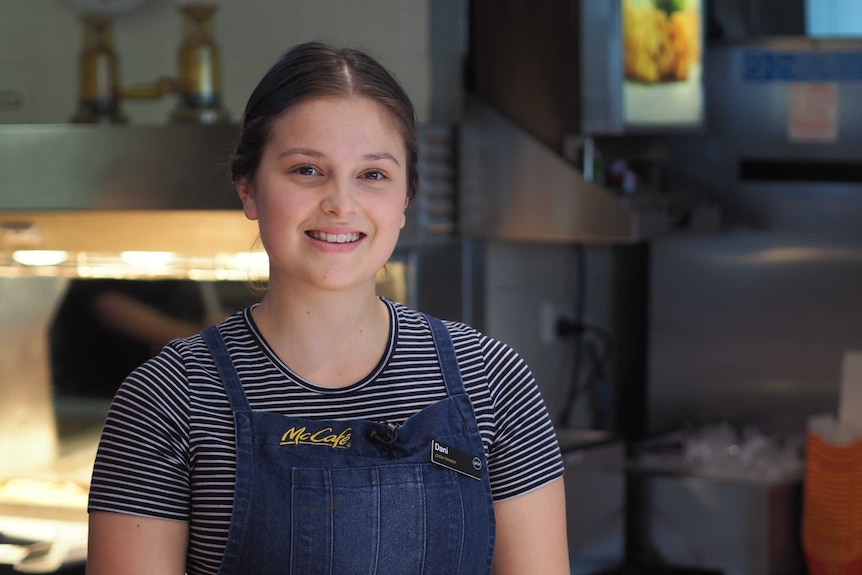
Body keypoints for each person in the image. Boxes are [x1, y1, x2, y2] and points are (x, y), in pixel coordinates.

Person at [86, 41, 569, 575]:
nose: (341, 204)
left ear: (406, 197)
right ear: (248, 188)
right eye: (307, 171)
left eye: (373, 174)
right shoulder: (167, 400)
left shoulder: (492, 380)